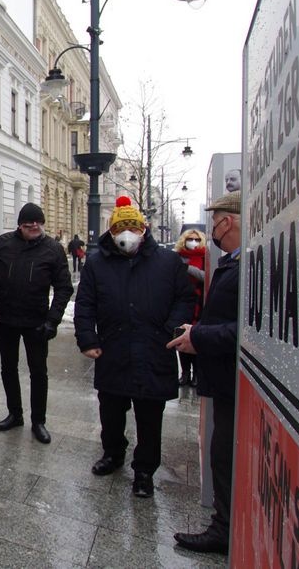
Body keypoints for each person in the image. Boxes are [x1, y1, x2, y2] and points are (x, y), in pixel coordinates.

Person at [74, 197, 194, 498]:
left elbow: (185, 299)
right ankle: (113, 454)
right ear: (112, 231)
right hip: (113, 349)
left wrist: (170, 330)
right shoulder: (98, 262)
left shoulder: (168, 262)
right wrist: (88, 338)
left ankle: (144, 470)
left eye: (132, 227)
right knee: (111, 412)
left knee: (150, 417)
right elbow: (85, 304)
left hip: (154, 349)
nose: (126, 234)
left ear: (144, 229)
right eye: (120, 229)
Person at [170, 193, 241, 554]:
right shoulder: (234, 262)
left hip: (234, 379)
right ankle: (224, 524)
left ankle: (225, 528)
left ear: (227, 222)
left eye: (214, 222)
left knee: (226, 453)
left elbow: (245, 331)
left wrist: (199, 335)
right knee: (222, 452)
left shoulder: (246, 264)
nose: (210, 229)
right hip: (228, 379)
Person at [0, 202, 73, 444]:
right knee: (8, 368)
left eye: (37, 221)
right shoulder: (4, 243)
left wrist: (53, 320)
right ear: (19, 224)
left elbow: (63, 287)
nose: (33, 225)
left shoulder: (53, 249)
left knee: (38, 371)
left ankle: (38, 420)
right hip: (6, 318)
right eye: (28, 222)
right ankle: (15, 413)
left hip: (36, 322)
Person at [173, 229, 207, 387]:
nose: (193, 241)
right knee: (180, 336)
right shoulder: (177, 257)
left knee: (197, 337)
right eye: (190, 239)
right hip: (181, 302)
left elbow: (206, 277)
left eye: (196, 239)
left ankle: (197, 374)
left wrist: (188, 268)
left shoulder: (205, 257)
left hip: (200, 303)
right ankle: (185, 372)